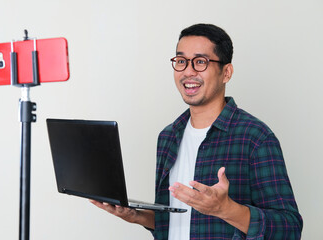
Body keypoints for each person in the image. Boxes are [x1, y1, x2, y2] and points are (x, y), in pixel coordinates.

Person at [90, 23, 303, 239]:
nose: (188, 72)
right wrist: (136, 215)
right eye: (181, 61)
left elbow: (290, 229)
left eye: (200, 62)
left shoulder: (255, 137)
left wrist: (226, 209)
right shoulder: (167, 137)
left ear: (226, 72)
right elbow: (178, 221)